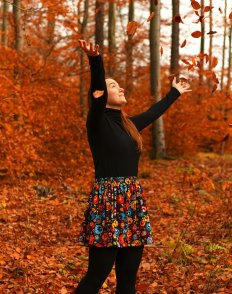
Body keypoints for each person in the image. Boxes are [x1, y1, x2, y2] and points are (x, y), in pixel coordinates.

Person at [75, 39, 191, 294]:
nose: (121, 88)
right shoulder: (97, 122)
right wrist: (96, 61)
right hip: (107, 205)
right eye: (113, 86)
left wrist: (174, 93)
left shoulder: (128, 125)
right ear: (103, 96)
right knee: (96, 277)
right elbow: (98, 89)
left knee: (128, 280)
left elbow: (152, 113)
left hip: (131, 203)